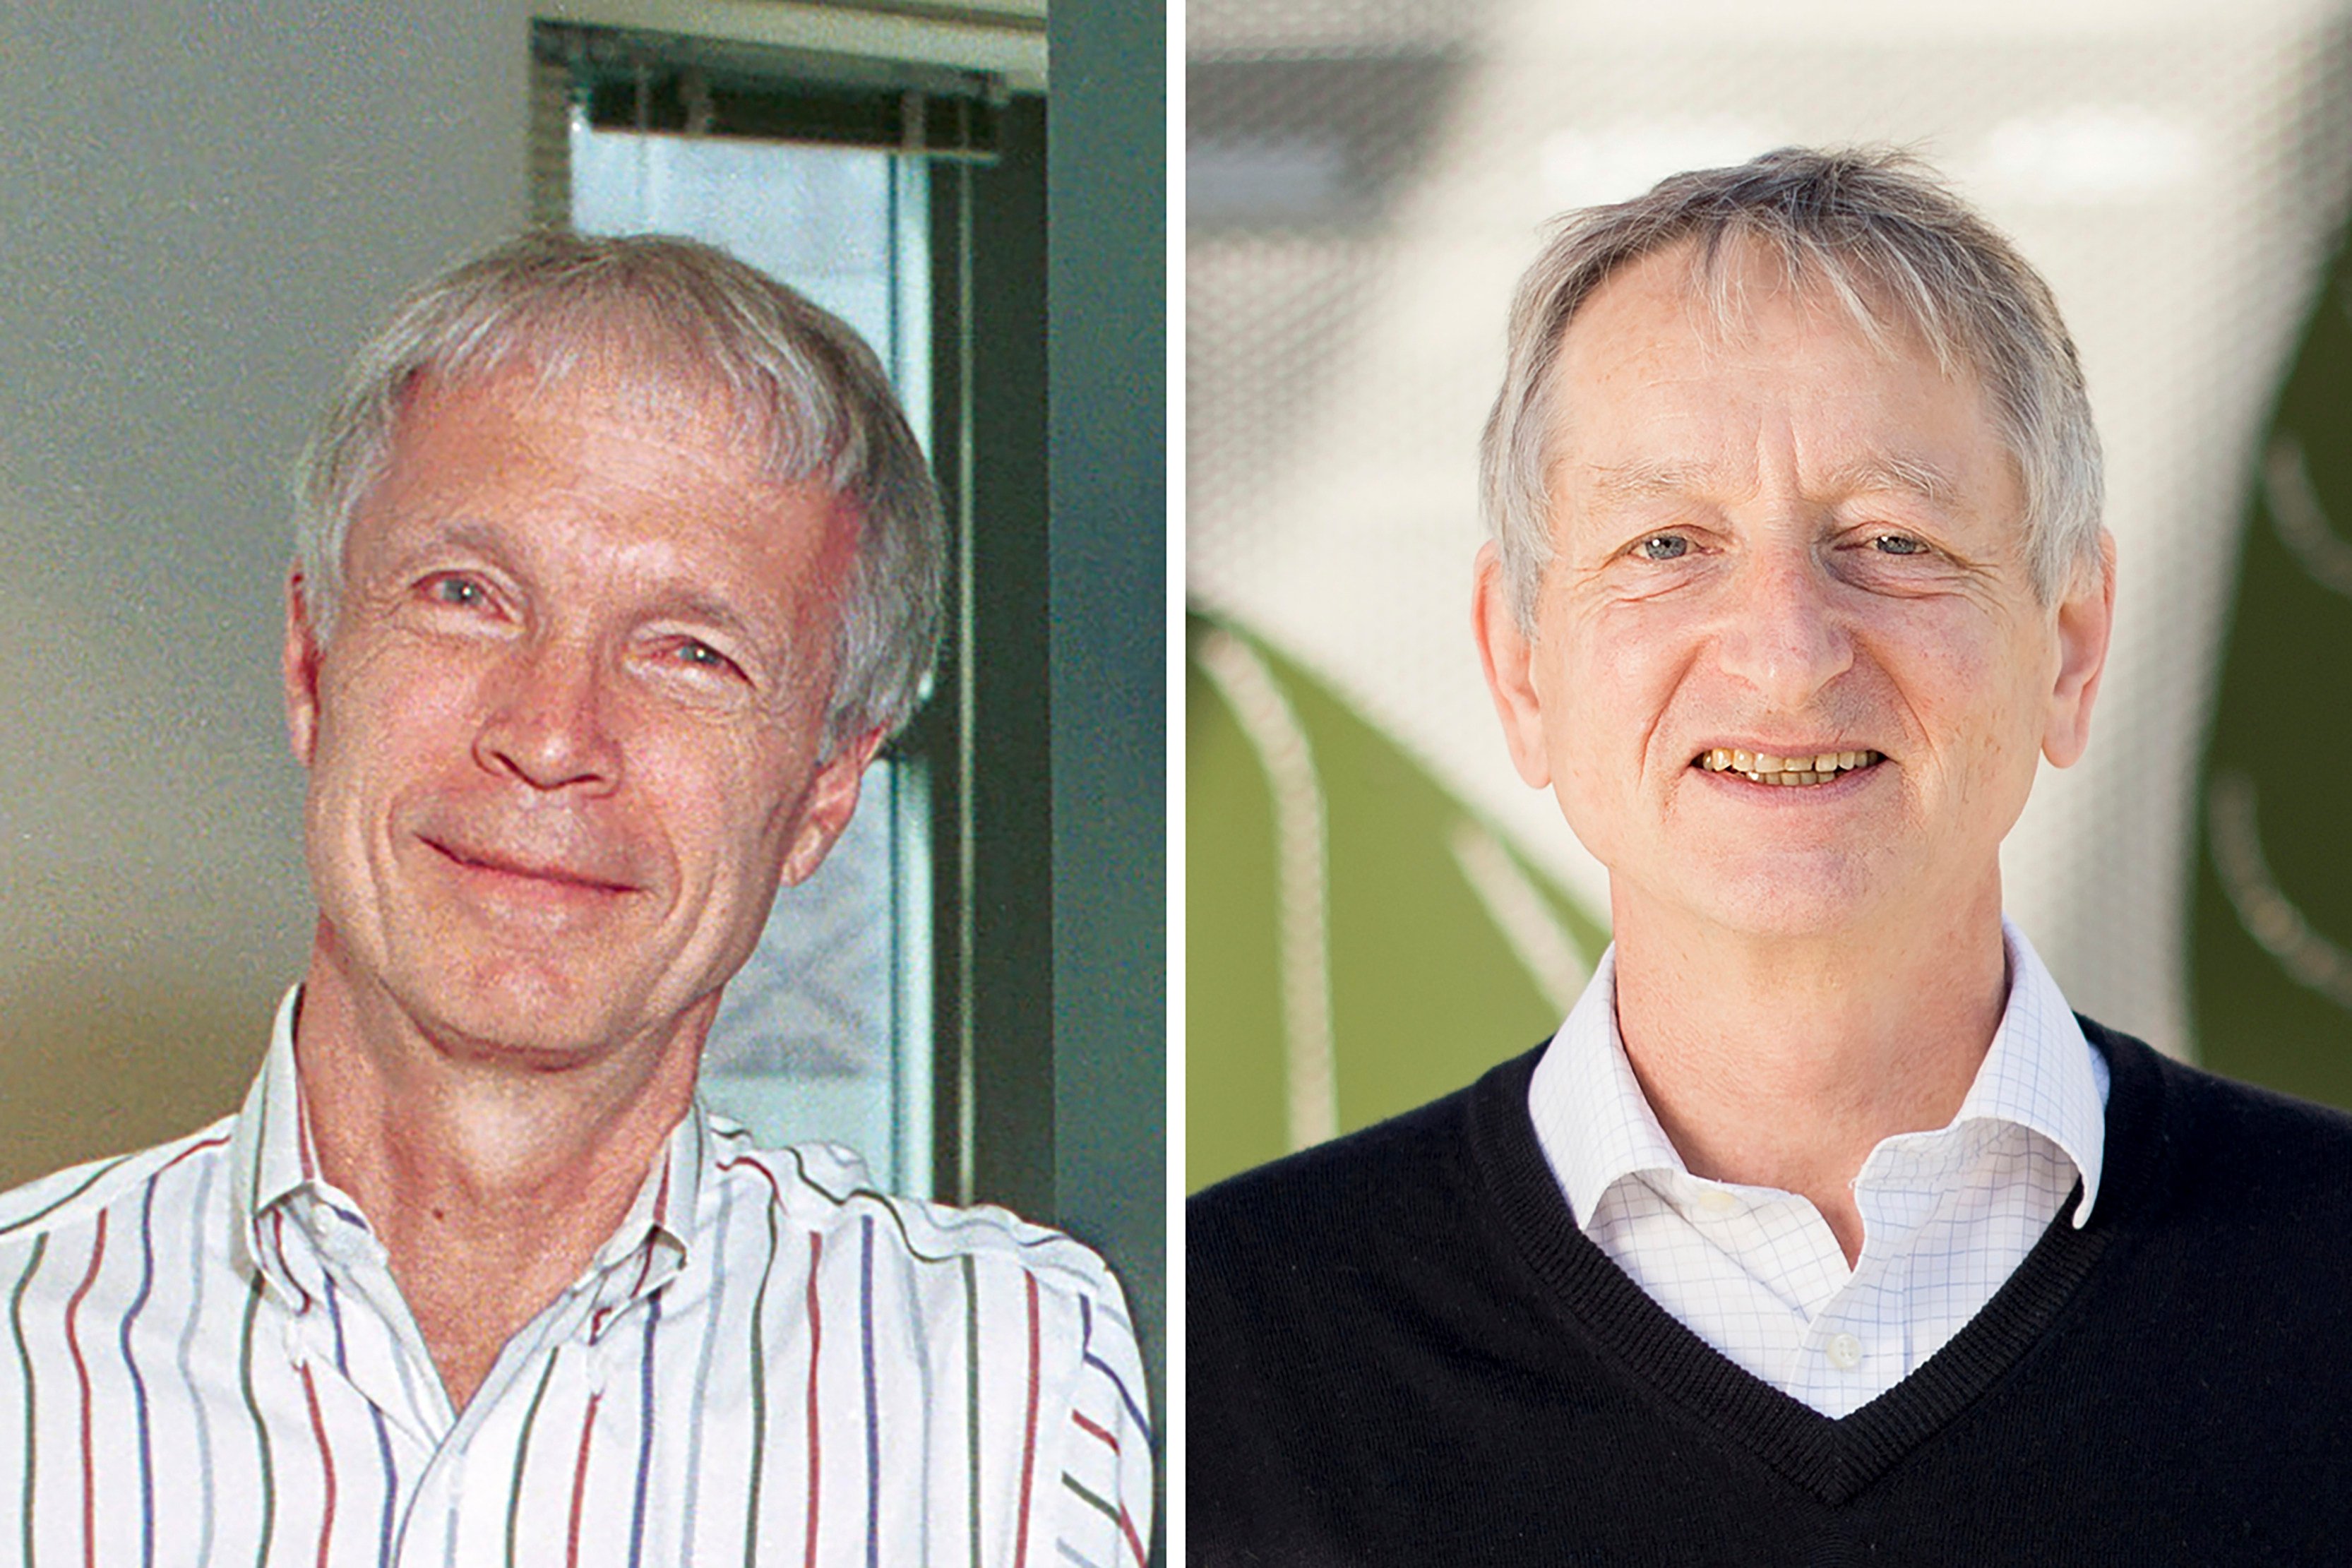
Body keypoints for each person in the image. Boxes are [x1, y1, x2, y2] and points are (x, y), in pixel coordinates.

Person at [1190, 147, 2352, 1562]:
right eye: (1668, 542)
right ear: (1519, 666)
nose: (1787, 651)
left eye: (1890, 539)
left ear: (2068, 642)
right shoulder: (1218, 1349)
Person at [0, 232, 1148, 1565]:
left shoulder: (1015, 1393)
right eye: (468, 596)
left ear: (828, 785)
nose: (551, 736)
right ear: (314, 661)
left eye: (691, 652)